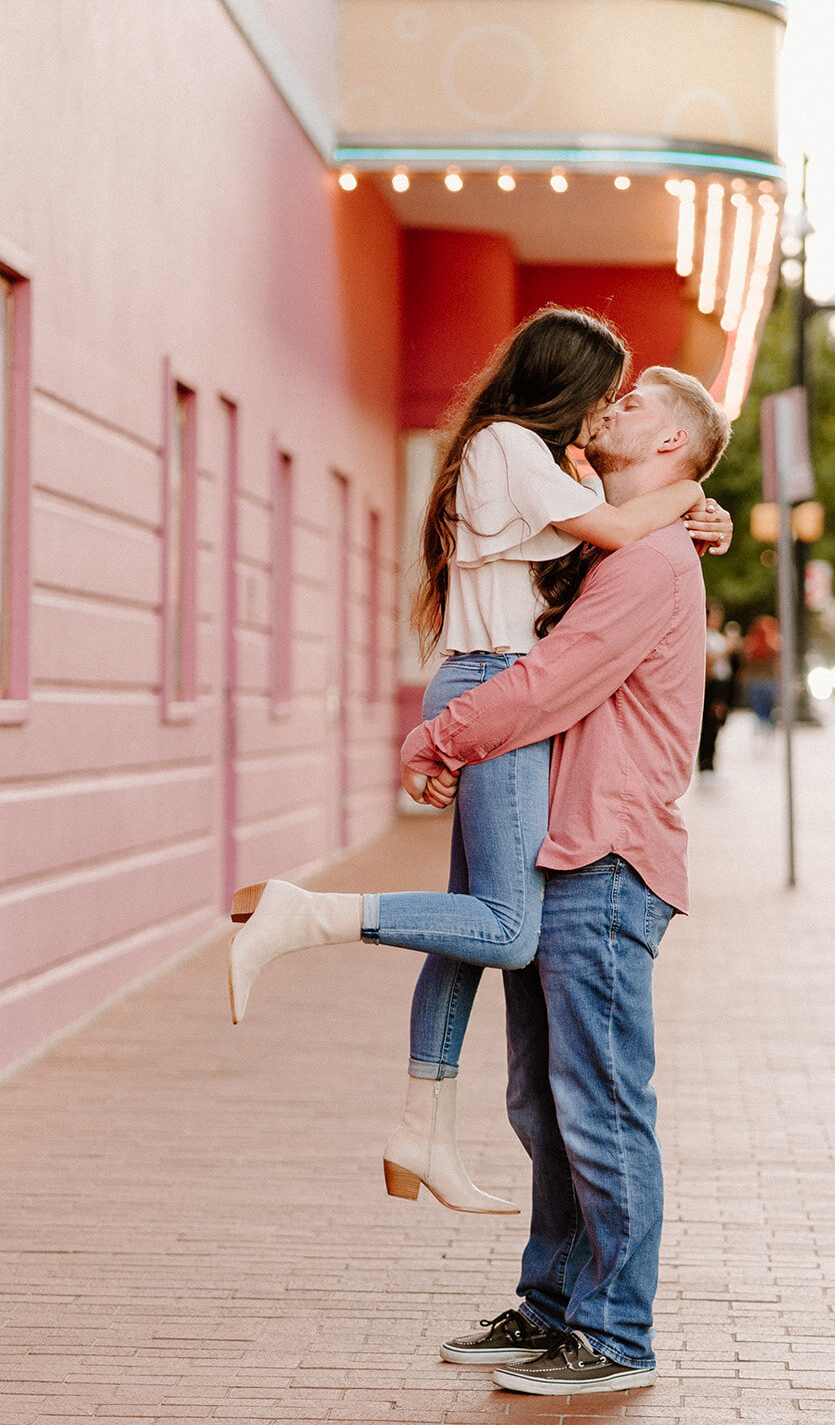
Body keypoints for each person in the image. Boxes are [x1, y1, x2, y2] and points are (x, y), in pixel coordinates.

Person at [226, 308, 731, 1215]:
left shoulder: (549, 474)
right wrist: (689, 502)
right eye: (604, 391)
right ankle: (304, 914)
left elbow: (614, 534)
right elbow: (614, 542)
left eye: (630, 401)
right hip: (490, 690)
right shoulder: (513, 448)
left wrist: (696, 505)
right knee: (505, 930)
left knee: (471, 934)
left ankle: (423, 1130)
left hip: (501, 705)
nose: (607, 411)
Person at [401, 368, 732, 1395]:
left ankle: (614, 1334)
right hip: (561, 850)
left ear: (673, 445)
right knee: (542, 1103)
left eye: (635, 404)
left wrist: (441, 733)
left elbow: (549, 681)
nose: (612, 408)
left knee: (599, 1107)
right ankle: (551, 1311)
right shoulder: (627, 541)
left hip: (606, 855)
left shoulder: (648, 564)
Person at [697, 598, 732, 777]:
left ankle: (711, 761)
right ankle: (705, 763)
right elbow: (707, 663)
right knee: (709, 723)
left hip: (722, 684)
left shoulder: (719, 637)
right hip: (710, 685)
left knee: (718, 723)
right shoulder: (702, 636)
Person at [743, 614, 781, 738]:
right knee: (770, 713)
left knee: (759, 713)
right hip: (770, 682)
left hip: (755, 683)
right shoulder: (775, 642)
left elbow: (746, 662)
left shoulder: (751, 643)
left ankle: (759, 735)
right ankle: (768, 735)